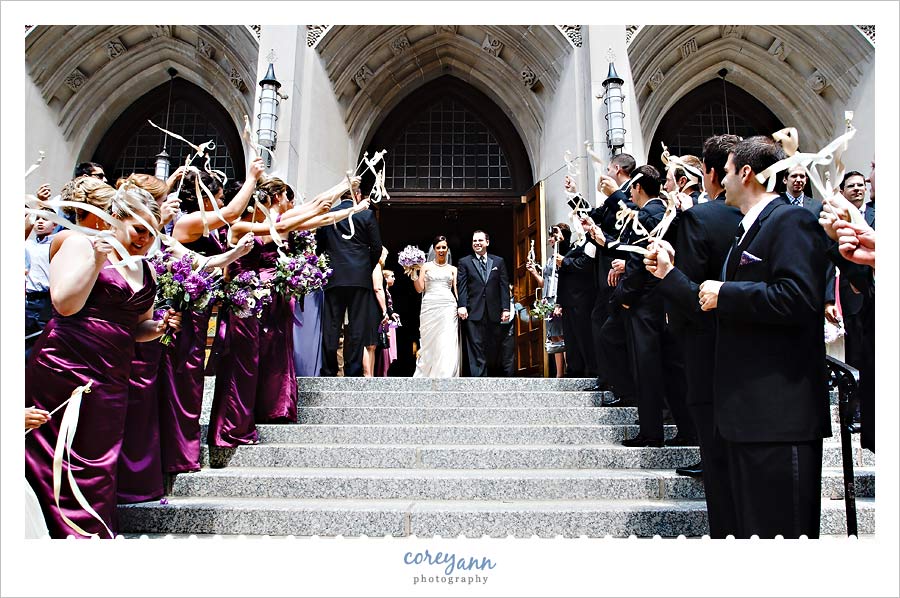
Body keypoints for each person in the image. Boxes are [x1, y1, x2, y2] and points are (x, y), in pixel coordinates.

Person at [697, 135, 831, 538]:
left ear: (746, 173)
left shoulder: (790, 220)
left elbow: (799, 297)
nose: (720, 179)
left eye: (726, 171)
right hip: (747, 416)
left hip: (779, 415)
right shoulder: (745, 231)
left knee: (782, 537)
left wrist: (726, 293)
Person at [25, 182, 177, 538]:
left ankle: (92, 530)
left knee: (99, 456)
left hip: (112, 373)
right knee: (61, 448)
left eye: (152, 234)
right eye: (139, 230)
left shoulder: (145, 267)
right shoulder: (79, 243)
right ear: (116, 218)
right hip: (66, 364)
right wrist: (96, 260)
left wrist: (161, 327)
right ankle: (59, 532)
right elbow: (64, 303)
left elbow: (138, 327)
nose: (144, 240)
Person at [643, 133, 742, 536]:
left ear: (711, 173)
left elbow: (695, 297)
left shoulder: (699, 218)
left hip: (707, 351)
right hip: (752, 357)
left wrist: (667, 275)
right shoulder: (768, 217)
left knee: (719, 468)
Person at [158, 158, 265, 477]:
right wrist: (251, 178)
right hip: (186, 311)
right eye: (217, 197)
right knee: (183, 377)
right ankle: (177, 453)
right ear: (204, 199)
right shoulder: (187, 222)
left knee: (192, 380)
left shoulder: (199, 225)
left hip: (202, 309)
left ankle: (184, 450)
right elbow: (231, 214)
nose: (221, 202)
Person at [317, 182, 384, 377]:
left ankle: (329, 370)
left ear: (340, 197)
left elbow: (319, 248)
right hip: (359, 277)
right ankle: (353, 370)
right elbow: (377, 247)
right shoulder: (366, 214)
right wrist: (365, 268)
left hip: (334, 276)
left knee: (331, 325)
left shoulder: (329, 216)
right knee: (357, 325)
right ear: (358, 195)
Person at [456, 230, 510, 376]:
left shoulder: (498, 261)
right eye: (474, 241)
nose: (477, 243)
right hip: (473, 310)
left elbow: (503, 286)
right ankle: (479, 377)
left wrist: (506, 308)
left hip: (493, 310)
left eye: (480, 240)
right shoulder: (464, 262)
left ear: (487, 242)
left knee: (492, 344)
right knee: (475, 344)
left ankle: (492, 374)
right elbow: (462, 286)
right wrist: (462, 305)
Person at [525, 223, 570, 378]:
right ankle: (559, 373)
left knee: (564, 334)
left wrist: (561, 302)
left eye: (554, 236)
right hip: (548, 299)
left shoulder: (565, 255)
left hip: (559, 298)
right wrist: (534, 273)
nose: (551, 239)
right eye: (551, 236)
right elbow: (544, 282)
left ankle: (569, 369)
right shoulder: (551, 258)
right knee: (554, 335)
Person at [412, 236, 461, 377]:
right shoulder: (426, 267)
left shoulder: (453, 269)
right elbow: (420, 289)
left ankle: (445, 373)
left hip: (448, 306)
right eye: (438, 247)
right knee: (429, 341)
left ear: (447, 249)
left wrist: (460, 306)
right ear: (434, 249)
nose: (441, 250)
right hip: (430, 306)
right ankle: (427, 372)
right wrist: (413, 273)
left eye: (444, 247)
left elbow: (456, 290)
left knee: (447, 340)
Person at [25, 212, 56, 360]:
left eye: (45, 219)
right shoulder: (28, 245)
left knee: (44, 337)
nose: (40, 222)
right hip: (29, 298)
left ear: (55, 224)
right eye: (37, 219)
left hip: (46, 299)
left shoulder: (56, 244)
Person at [363, 247, 391, 377]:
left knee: (372, 344)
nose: (385, 256)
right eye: (385, 254)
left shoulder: (368, 265)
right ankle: (367, 374)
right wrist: (385, 310)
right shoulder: (376, 266)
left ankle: (371, 375)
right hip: (371, 305)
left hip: (368, 304)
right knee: (369, 342)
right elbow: (378, 288)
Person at [375, 268, 400, 376]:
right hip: (385, 323)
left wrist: (392, 313)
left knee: (388, 349)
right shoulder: (383, 291)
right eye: (392, 276)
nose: (394, 278)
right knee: (384, 349)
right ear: (385, 278)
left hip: (390, 322)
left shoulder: (387, 291)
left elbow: (389, 306)